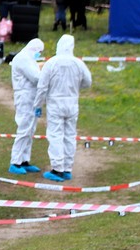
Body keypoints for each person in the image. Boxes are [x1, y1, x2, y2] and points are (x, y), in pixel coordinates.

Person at [34, 34, 92, 183]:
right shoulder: (78, 63)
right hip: (72, 104)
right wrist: (76, 87)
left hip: (55, 104)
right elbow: (88, 82)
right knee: (69, 136)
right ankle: (67, 169)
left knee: (55, 135)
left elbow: (42, 86)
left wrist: (38, 105)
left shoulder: (51, 63)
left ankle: (57, 169)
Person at [8, 38, 45, 174]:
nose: (39, 54)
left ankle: (24, 160)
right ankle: (15, 162)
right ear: (34, 49)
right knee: (24, 129)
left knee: (30, 130)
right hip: (24, 98)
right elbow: (36, 77)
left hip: (31, 98)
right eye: (39, 52)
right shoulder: (23, 58)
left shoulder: (29, 59)